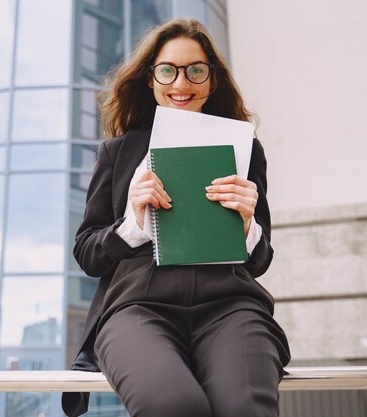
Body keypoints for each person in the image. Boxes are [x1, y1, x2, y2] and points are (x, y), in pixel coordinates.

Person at [62, 17, 290, 417]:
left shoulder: (244, 149)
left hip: (231, 304)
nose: (181, 84)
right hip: (138, 308)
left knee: (244, 408)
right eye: (167, 70)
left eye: (195, 70)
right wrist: (132, 224)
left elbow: (261, 261)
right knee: (174, 406)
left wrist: (247, 227)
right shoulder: (117, 154)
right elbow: (87, 253)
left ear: (212, 79)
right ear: (150, 80)